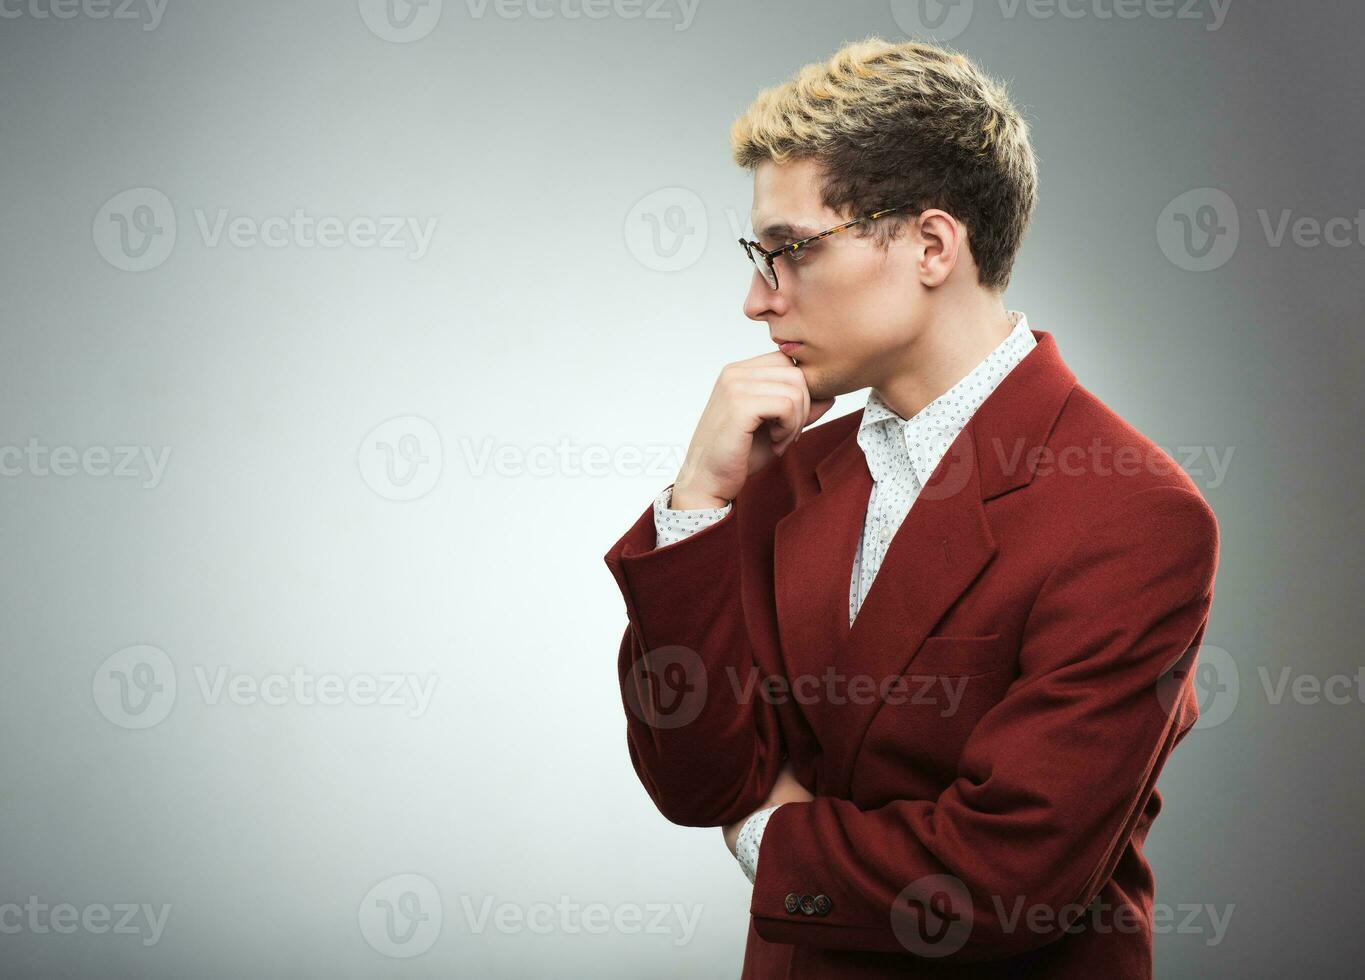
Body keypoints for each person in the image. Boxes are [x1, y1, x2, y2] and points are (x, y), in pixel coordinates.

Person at [602, 36, 1219, 979]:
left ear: (931, 245)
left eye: (789, 251)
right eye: (757, 255)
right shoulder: (782, 475)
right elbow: (699, 780)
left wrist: (771, 838)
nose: (755, 300)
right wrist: (697, 502)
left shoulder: (1132, 514)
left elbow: (1003, 875)